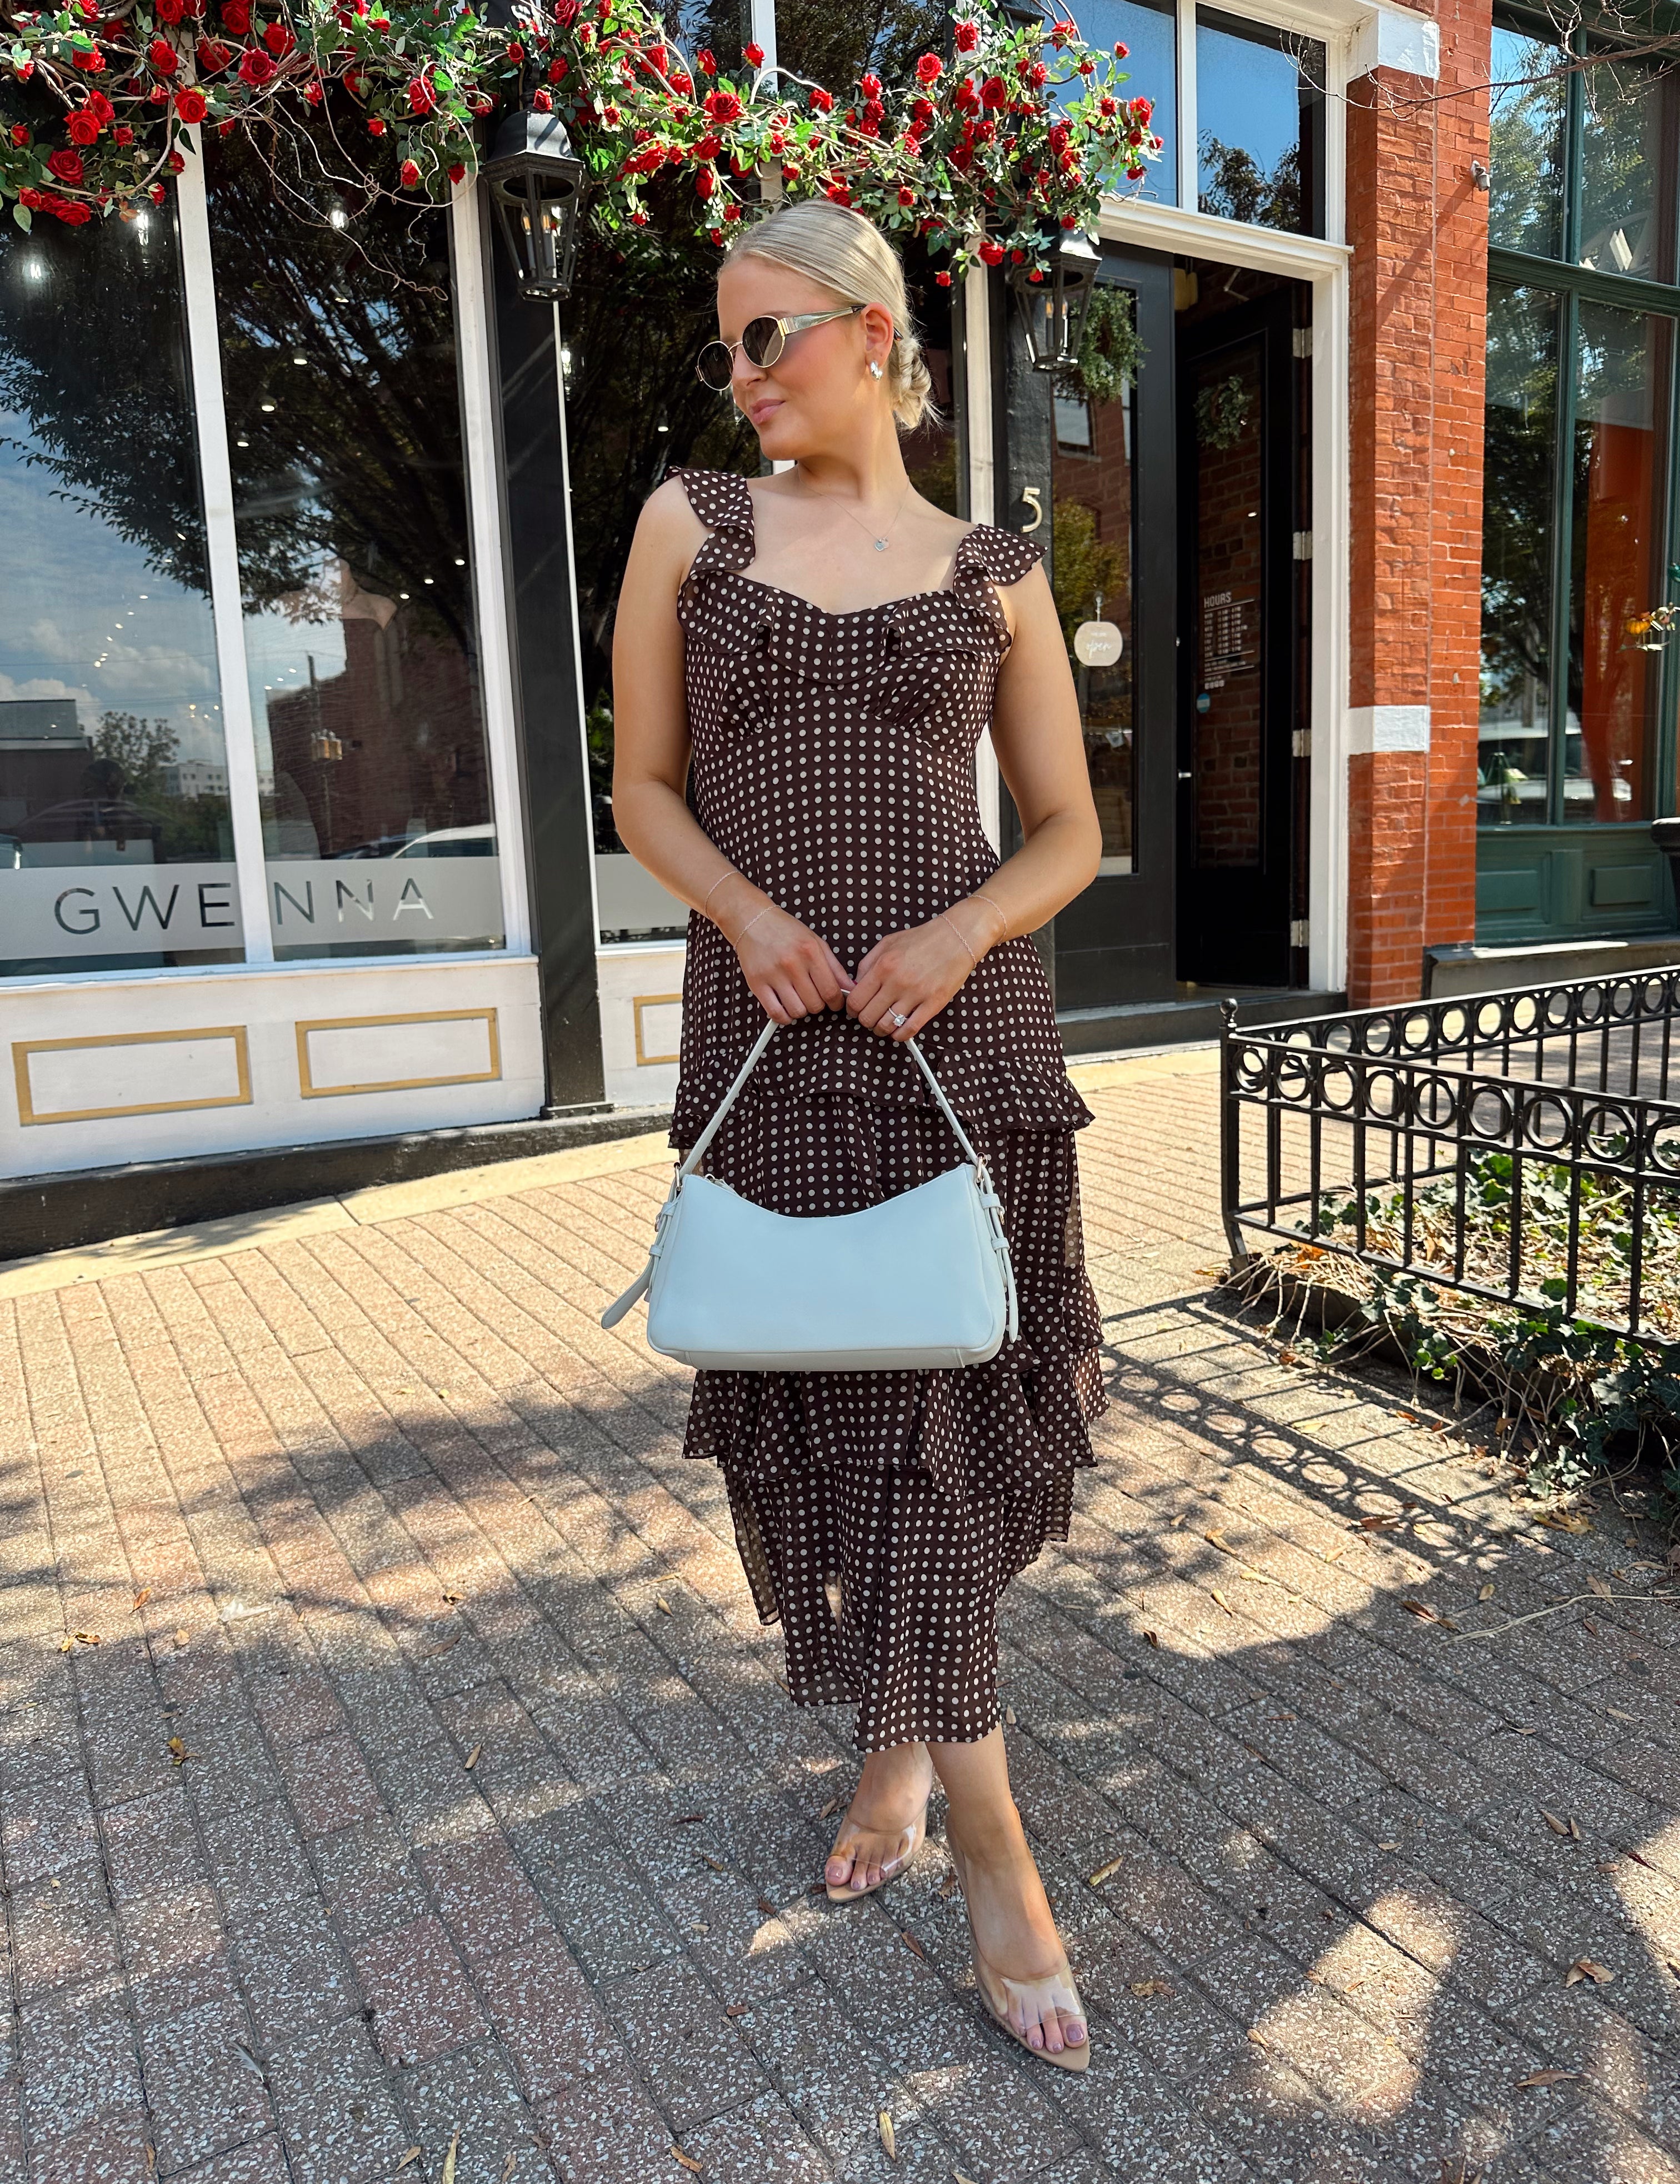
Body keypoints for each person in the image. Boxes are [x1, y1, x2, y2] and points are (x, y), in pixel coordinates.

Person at [611, 197, 1107, 2068]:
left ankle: (938, 1793)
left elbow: (1065, 828)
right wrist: (744, 917)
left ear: (879, 334)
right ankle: (985, 1833)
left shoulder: (993, 565)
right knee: (857, 1415)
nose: (740, 379)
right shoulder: (692, 526)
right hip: (775, 1032)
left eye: (772, 339)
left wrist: (966, 925)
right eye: (726, 345)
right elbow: (640, 784)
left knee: (941, 1430)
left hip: (958, 1043)